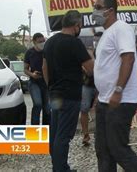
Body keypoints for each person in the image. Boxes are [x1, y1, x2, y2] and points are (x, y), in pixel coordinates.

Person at [92, 0, 137, 172]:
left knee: (118, 149)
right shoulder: (107, 33)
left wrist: (118, 90)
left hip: (121, 101)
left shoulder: (120, 28)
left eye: (98, 7)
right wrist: (100, 96)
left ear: (111, 10)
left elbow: (128, 58)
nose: (95, 11)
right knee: (103, 149)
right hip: (105, 100)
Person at [42, 10, 94, 172]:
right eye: (80, 26)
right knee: (64, 136)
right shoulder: (74, 43)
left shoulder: (50, 42)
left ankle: (59, 166)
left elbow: (44, 67)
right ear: (76, 25)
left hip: (55, 93)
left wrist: (50, 85)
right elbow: (91, 69)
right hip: (70, 95)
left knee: (55, 132)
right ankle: (60, 169)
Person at [80, 31, 102, 146]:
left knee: (100, 110)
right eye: (95, 40)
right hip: (88, 84)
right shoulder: (89, 53)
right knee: (84, 109)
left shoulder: (106, 53)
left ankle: (100, 135)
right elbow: (87, 70)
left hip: (101, 86)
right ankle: (85, 134)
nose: (96, 42)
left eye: (98, 40)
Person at [24, 32, 50, 125]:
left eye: (43, 41)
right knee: (38, 104)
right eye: (40, 41)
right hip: (34, 82)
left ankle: (47, 131)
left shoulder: (47, 51)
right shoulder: (29, 53)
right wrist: (32, 74)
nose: (42, 43)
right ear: (34, 42)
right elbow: (25, 69)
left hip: (46, 82)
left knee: (47, 108)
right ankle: (35, 130)